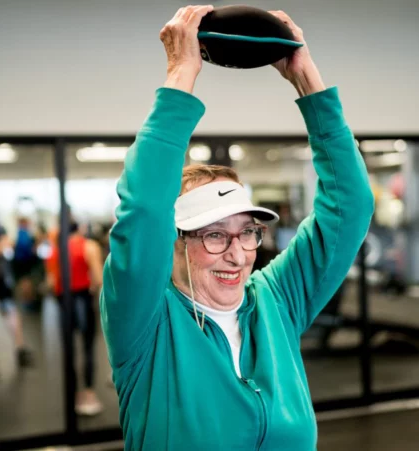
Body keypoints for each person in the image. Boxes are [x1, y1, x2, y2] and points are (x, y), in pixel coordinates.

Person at [100, 5, 374, 450]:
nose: (237, 253)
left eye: (247, 231)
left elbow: (351, 206)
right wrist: (181, 72)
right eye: (213, 234)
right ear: (173, 242)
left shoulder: (276, 299)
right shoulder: (144, 320)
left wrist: (307, 80)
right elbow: (145, 210)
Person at [47, 219, 104, 416]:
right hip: (82, 300)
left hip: (64, 302)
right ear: (79, 228)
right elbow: (98, 279)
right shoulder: (88, 246)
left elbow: (51, 280)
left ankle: (74, 396)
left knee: (69, 350)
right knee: (88, 348)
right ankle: (88, 394)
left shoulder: (55, 250)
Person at [0, 224, 33, 367]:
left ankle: (20, 349)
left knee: (13, 317)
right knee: (13, 317)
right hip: (3, 288)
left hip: (5, 290)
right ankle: (20, 349)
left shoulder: (6, 255)